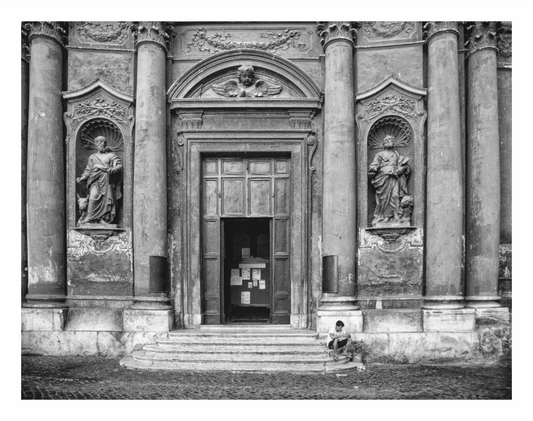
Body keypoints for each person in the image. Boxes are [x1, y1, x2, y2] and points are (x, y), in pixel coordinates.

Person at [76, 136, 122, 225]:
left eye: (103, 142)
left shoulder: (111, 155)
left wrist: (111, 169)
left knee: (107, 199)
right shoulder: (92, 157)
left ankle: (104, 220)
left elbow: (119, 166)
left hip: (107, 180)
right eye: (99, 142)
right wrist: (82, 178)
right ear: (95, 144)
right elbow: (88, 170)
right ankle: (90, 218)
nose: (102, 144)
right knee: (93, 196)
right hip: (95, 180)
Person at [368, 135, 410, 226]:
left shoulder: (396, 154)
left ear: (393, 143)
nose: (388, 141)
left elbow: (402, 165)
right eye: (386, 140)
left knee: (395, 195)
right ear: (383, 144)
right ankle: (386, 217)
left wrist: (403, 168)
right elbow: (373, 165)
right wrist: (374, 168)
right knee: (384, 198)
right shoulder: (380, 154)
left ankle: (396, 215)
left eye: (390, 140)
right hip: (383, 178)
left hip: (394, 176)